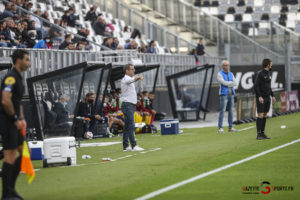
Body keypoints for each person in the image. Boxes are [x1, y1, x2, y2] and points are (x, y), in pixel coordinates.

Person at [0, 49, 30, 200]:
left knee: (25, 153)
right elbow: (5, 100)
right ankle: (6, 194)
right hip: (8, 121)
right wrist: (14, 119)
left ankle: (11, 189)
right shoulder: (10, 78)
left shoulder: (19, 77)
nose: (28, 62)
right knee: (10, 156)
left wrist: (22, 118)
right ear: (18, 60)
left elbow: (17, 102)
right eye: (26, 59)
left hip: (16, 122)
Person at [121, 64, 144, 152]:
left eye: (134, 69)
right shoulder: (125, 79)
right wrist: (139, 77)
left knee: (127, 126)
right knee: (131, 125)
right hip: (127, 105)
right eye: (132, 69)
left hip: (130, 104)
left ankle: (125, 146)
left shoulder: (129, 79)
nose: (134, 70)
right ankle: (134, 145)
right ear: (127, 71)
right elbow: (131, 80)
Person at [254, 58, 276, 140]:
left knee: (265, 115)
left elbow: (269, 86)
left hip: (267, 97)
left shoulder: (269, 73)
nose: (271, 65)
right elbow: (256, 86)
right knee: (260, 115)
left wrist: (272, 96)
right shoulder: (260, 74)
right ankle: (258, 134)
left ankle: (263, 133)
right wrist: (259, 96)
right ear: (267, 65)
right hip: (261, 98)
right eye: (271, 64)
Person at [217, 60, 238, 133]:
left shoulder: (231, 74)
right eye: (225, 65)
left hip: (231, 94)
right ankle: (220, 127)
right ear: (222, 66)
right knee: (222, 111)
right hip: (223, 94)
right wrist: (230, 83)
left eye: (227, 65)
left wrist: (229, 83)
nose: (226, 66)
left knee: (231, 111)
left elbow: (236, 83)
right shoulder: (219, 74)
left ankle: (230, 127)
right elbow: (223, 82)